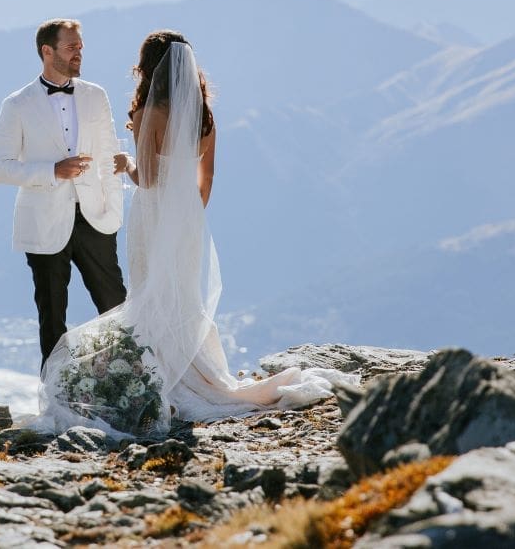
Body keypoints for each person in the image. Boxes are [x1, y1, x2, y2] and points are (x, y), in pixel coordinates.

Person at [35, 30, 356, 437]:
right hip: (187, 216)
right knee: (181, 294)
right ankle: (192, 370)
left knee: (151, 291)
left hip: (154, 215)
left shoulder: (152, 114)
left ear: (149, 68)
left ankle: (167, 376)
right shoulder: (203, 114)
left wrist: (125, 163)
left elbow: (148, 179)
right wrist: (186, 214)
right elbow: (207, 178)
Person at [0, 18, 127, 368]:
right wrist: (52, 171)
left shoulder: (97, 96)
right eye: (71, 46)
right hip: (44, 223)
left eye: (80, 45)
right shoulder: (17, 104)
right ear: (47, 51)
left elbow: (110, 155)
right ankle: (56, 397)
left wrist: (114, 211)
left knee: (117, 308)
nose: (79, 52)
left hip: (95, 217)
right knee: (52, 318)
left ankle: (135, 382)